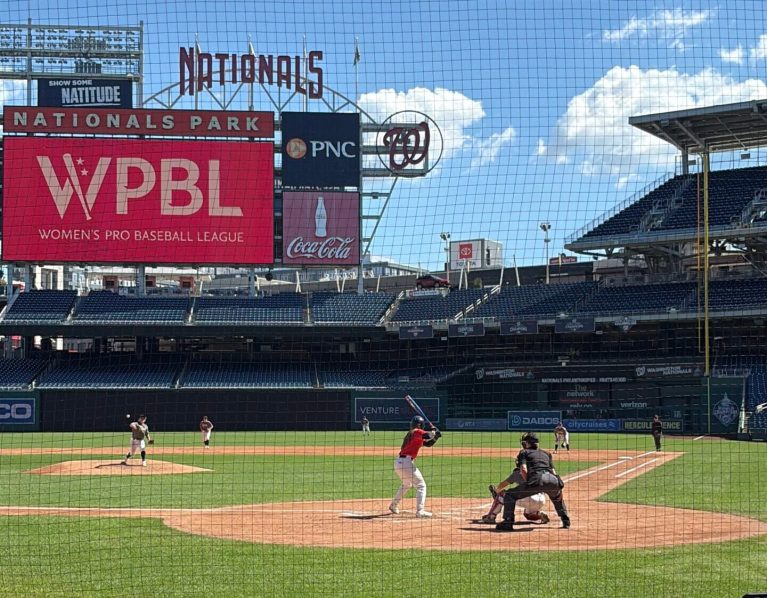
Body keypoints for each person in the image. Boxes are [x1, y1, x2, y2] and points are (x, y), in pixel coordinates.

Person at [494, 432, 570, 531]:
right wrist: (557, 482)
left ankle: (508, 522)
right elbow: (553, 471)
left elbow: (524, 469)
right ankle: (566, 520)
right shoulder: (546, 453)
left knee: (509, 495)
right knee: (557, 496)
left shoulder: (524, 452)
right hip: (553, 479)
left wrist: (528, 483)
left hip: (537, 479)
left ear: (528, 443)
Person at [389, 415, 441, 518]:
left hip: (399, 462)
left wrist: (436, 437)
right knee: (421, 486)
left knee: (407, 484)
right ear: (421, 425)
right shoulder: (417, 431)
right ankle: (420, 511)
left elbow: (428, 443)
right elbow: (427, 436)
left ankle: (393, 505)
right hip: (406, 463)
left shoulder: (411, 434)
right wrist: (434, 431)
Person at [480, 468, 550, 524]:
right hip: (542, 499)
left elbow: (502, 485)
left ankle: (491, 517)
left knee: (502, 495)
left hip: (530, 498)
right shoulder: (535, 472)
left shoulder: (517, 473)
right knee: (528, 514)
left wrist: (496, 492)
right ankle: (539, 514)